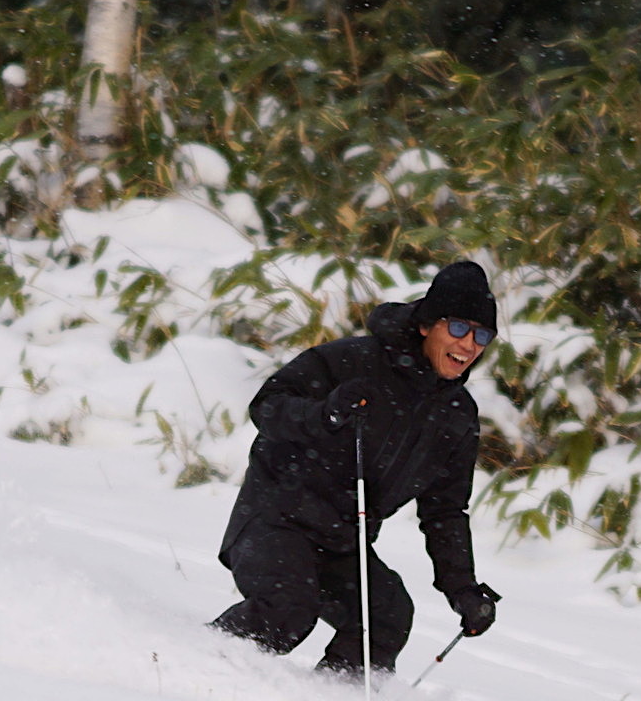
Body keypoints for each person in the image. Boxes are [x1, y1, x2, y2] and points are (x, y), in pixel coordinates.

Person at [210, 260, 499, 677]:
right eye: (457, 328)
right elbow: (267, 407)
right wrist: (325, 415)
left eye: (482, 334)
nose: (469, 344)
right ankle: (199, 661)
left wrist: (462, 589)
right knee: (288, 610)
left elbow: (445, 512)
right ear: (426, 325)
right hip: (274, 519)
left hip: (343, 543)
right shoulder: (351, 361)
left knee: (386, 616)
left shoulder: (456, 416)